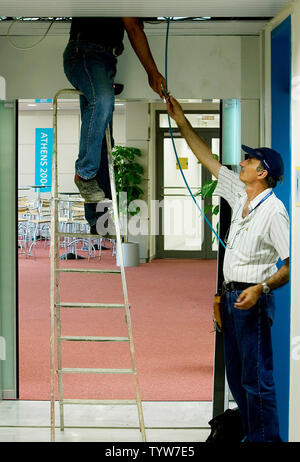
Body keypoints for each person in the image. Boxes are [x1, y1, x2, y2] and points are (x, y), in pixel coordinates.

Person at [166, 95, 289, 443]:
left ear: (262, 172)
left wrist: (261, 288)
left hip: (254, 302)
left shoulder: (274, 211)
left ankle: (267, 440)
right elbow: (206, 157)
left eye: (250, 160)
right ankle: (252, 436)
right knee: (237, 378)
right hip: (232, 299)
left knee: (257, 381)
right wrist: (181, 120)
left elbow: (291, 265)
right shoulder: (240, 193)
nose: (243, 162)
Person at [63, 17, 166, 233]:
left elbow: (133, 24)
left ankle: (97, 219)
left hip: (105, 59)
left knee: (104, 138)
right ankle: (84, 173)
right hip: (84, 54)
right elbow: (133, 28)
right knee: (102, 101)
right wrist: (152, 72)